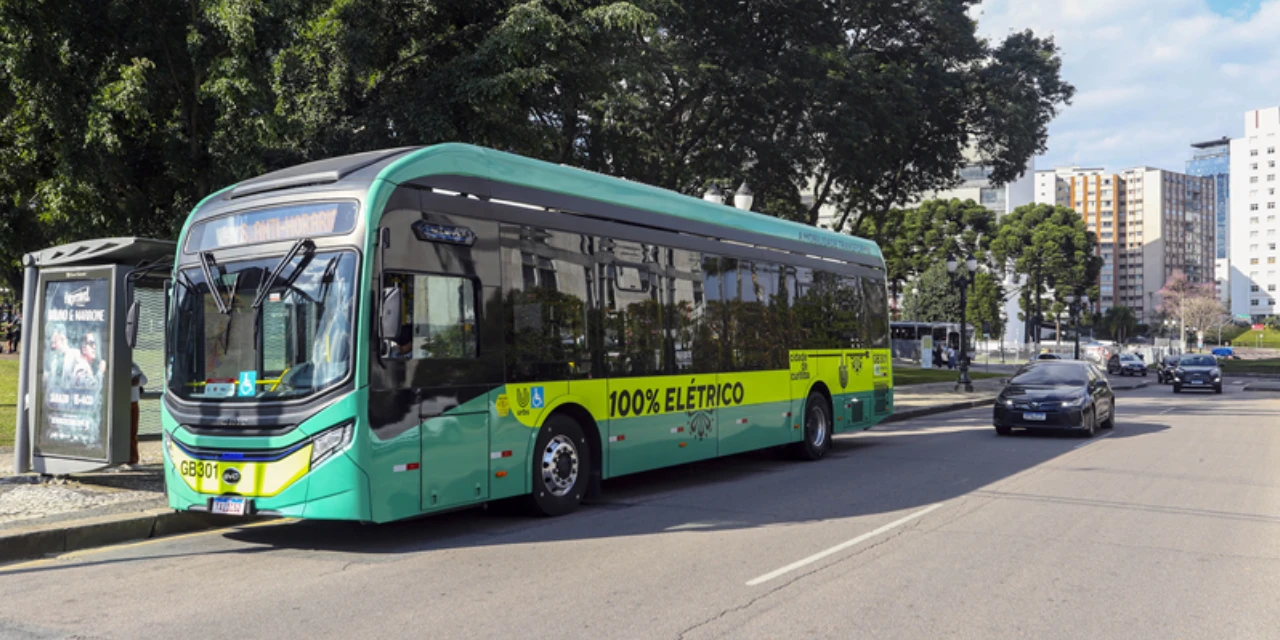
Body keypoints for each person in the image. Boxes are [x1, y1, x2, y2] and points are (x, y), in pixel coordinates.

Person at [129, 362, 148, 466]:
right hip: (119, 403)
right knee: (117, 432)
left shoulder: (133, 365)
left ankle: (133, 460)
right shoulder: (114, 363)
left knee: (132, 433)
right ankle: (115, 460)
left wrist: (137, 381)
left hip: (134, 402)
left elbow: (144, 379)